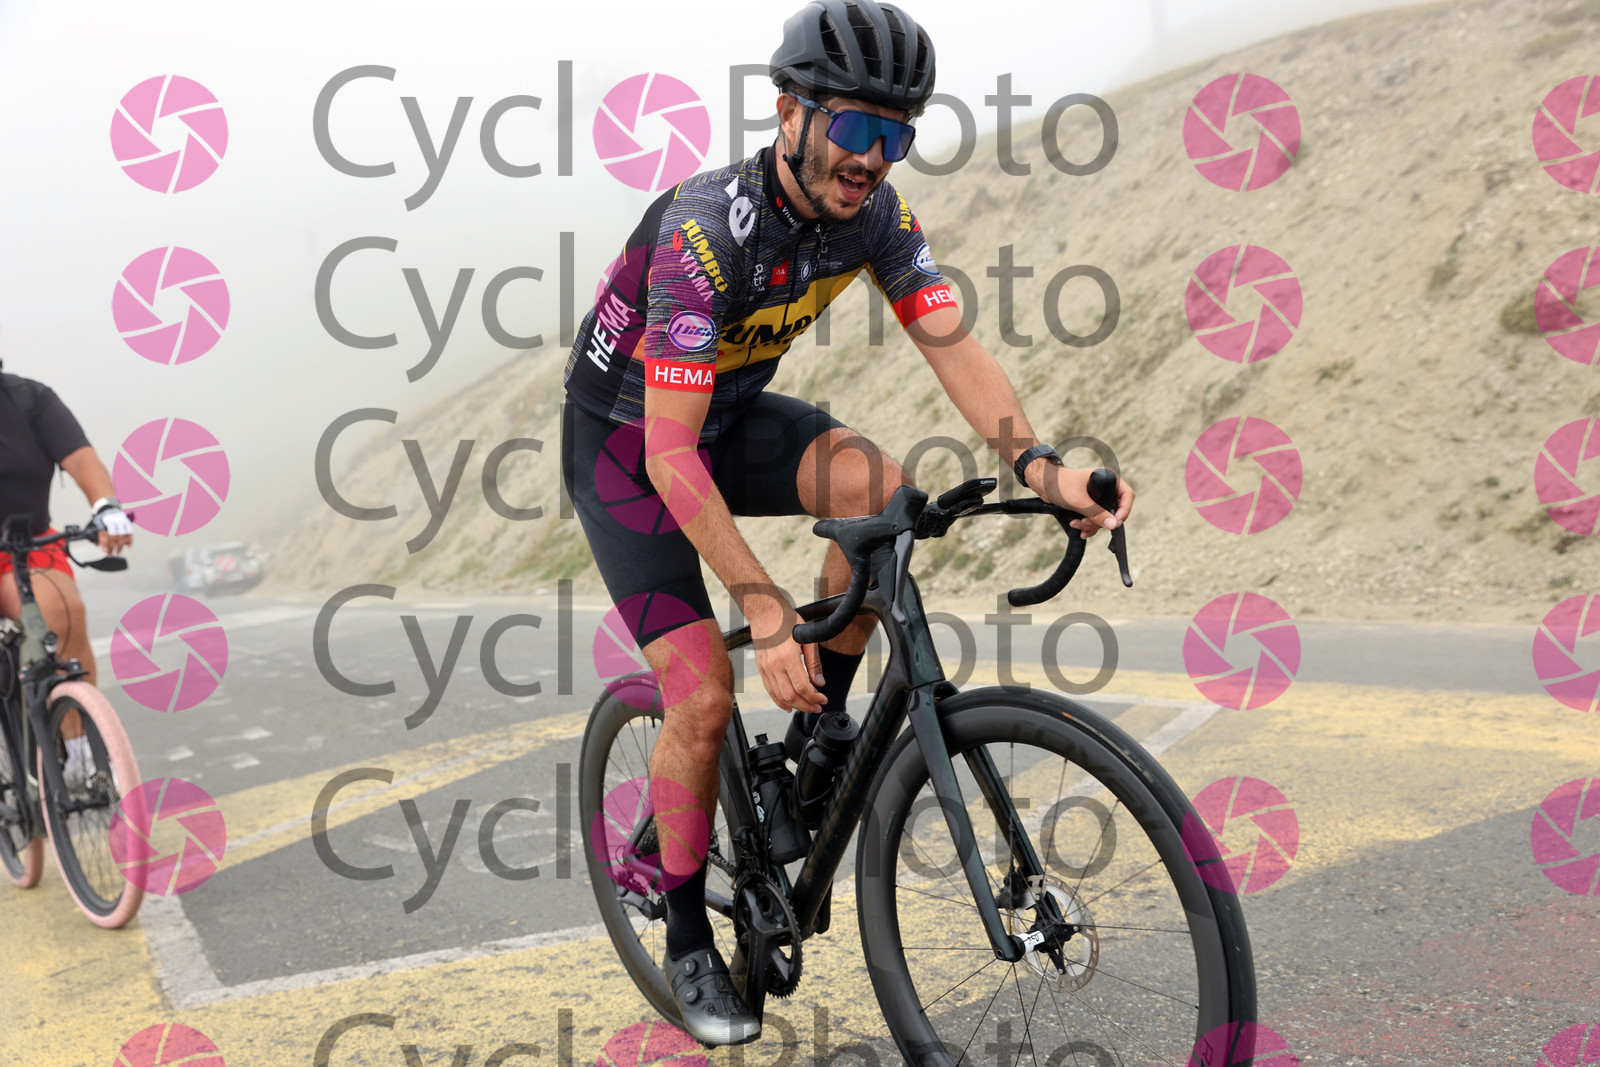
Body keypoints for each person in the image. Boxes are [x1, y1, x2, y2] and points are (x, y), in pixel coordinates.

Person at [561, 0, 1134, 1044]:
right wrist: (763, 603)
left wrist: (1041, 465)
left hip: (727, 413)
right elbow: (668, 454)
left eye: (895, 135)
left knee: (881, 491)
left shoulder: (872, 216)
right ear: (789, 113)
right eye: (855, 127)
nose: (871, 158)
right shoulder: (703, 232)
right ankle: (685, 932)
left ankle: (817, 750)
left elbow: (951, 342)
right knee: (702, 688)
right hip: (628, 443)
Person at [0, 362, 134, 785]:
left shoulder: (29, 398)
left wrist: (105, 506)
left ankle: (80, 754)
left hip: (25, 548)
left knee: (63, 613)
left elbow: (79, 455)